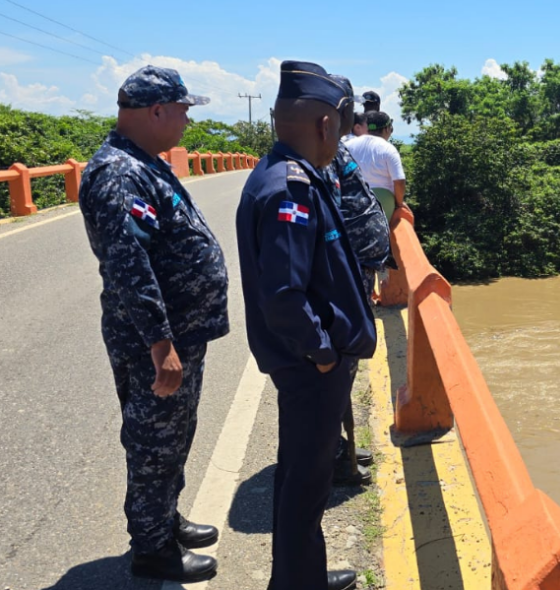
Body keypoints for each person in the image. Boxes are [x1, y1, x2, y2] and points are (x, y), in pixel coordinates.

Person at [78, 66, 227, 583]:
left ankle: (164, 520)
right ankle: (152, 549)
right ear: (156, 111)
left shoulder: (145, 163)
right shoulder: (118, 173)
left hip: (179, 332)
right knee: (152, 444)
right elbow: (128, 266)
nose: (187, 120)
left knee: (174, 437)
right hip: (153, 340)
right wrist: (161, 345)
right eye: (183, 110)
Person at [235, 60, 377, 590]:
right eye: (339, 129)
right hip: (310, 369)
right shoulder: (290, 188)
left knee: (301, 479)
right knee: (304, 485)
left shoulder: (289, 172)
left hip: (310, 366)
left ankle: (301, 578)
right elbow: (284, 295)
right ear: (326, 125)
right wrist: (321, 353)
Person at [322, 84, 393, 488]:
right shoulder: (314, 158)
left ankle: (340, 445)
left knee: (345, 372)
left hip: (357, 276)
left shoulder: (340, 149)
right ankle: (333, 456)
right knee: (334, 373)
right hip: (342, 281)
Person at [344, 110, 407, 220]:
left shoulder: (347, 145)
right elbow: (399, 181)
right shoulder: (388, 148)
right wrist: (399, 203)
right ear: (387, 129)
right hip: (383, 202)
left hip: (352, 198)